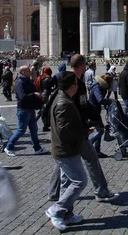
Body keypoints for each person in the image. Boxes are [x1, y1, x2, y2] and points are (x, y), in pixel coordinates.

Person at [48, 54, 119, 204]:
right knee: (91, 159)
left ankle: (54, 193)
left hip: (70, 130)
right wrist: (91, 123)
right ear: (82, 66)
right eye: (85, 64)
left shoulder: (65, 78)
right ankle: (101, 191)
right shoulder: (75, 83)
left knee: (62, 161)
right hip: (77, 130)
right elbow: (82, 106)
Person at [46, 71, 87, 231]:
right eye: (76, 84)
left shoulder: (61, 98)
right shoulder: (64, 103)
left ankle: (66, 215)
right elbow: (65, 131)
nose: (78, 87)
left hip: (63, 148)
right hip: (66, 149)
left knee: (67, 182)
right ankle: (56, 210)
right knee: (80, 181)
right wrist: (84, 131)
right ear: (72, 87)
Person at [4, 66, 48, 157]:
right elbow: (22, 97)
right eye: (28, 71)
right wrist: (34, 94)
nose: (30, 72)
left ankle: (37, 148)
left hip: (30, 109)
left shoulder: (28, 81)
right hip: (23, 109)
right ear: (23, 72)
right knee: (21, 130)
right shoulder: (20, 83)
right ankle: (9, 147)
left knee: (34, 129)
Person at [88, 75, 111, 158]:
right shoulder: (97, 87)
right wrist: (109, 101)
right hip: (93, 111)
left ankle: (96, 150)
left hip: (95, 110)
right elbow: (100, 99)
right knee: (100, 130)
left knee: (99, 129)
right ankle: (89, 145)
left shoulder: (97, 85)